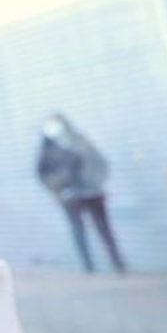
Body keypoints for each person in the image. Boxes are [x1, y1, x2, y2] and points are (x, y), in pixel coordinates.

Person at [37, 112, 126, 273]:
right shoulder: (47, 149)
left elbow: (100, 162)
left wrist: (97, 181)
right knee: (78, 231)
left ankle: (118, 264)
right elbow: (42, 174)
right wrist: (58, 185)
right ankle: (88, 266)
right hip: (70, 196)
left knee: (104, 229)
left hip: (93, 193)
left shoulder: (80, 142)